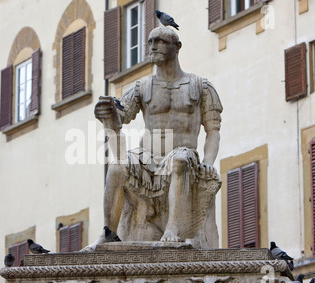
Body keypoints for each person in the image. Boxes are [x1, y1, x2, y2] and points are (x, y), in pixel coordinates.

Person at [94, 27, 223, 244]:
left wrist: (208, 162)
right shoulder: (142, 87)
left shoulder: (200, 86)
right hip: (147, 157)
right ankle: (108, 234)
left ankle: (172, 229)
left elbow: (213, 130)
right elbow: (120, 117)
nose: (154, 46)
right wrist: (107, 114)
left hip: (183, 154)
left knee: (180, 161)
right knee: (117, 167)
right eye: (151, 41)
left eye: (161, 41)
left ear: (177, 47)